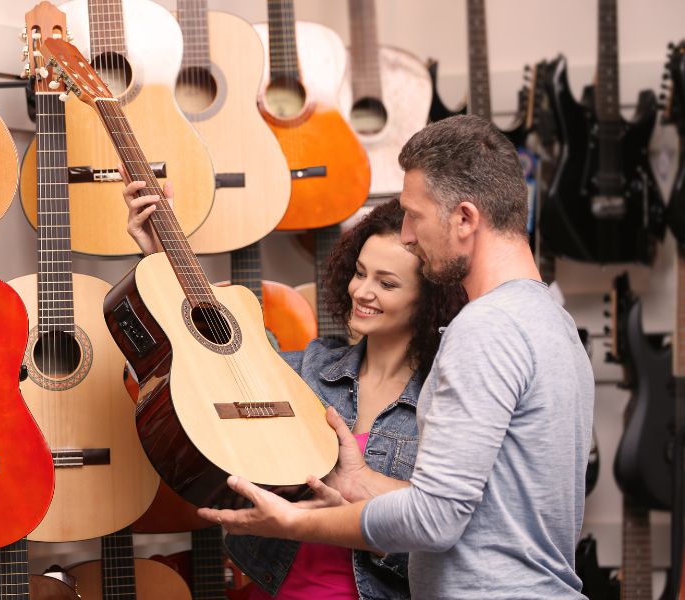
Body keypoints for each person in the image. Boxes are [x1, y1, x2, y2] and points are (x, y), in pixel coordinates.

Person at [196, 115, 595, 600]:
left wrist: (293, 522)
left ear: (465, 219)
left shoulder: (485, 327)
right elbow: (484, 511)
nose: (406, 234)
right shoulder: (551, 319)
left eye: (414, 215)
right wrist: (360, 480)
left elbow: (434, 520)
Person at [120, 175, 466, 598]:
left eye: (387, 283)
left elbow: (448, 540)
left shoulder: (444, 402)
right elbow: (213, 363)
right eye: (359, 273)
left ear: (429, 299)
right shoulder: (310, 368)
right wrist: (161, 252)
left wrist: (358, 517)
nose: (363, 291)